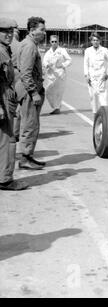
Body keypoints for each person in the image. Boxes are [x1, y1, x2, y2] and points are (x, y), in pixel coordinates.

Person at [0, 17, 28, 190]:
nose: (9, 35)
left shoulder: (5, 49)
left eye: (11, 32)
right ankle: (5, 180)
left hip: (6, 97)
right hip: (2, 98)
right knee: (8, 141)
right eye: (5, 32)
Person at [15, 16, 46, 170]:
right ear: (32, 30)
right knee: (30, 125)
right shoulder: (29, 47)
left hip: (28, 89)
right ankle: (25, 158)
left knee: (30, 124)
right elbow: (25, 73)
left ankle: (28, 156)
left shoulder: (29, 43)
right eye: (42, 30)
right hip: (29, 91)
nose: (44, 33)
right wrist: (34, 92)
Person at [84, 32, 108, 114]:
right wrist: (86, 75)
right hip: (92, 76)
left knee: (102, 94)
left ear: (100, 41)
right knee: (92, 95)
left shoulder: (104, 50)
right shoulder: (88, 51)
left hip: (101, 75)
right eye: (94, 40)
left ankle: (105, 113)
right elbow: (86, 63)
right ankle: (95, 113)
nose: (95, 42)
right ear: (91, 41)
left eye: (97, 40)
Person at [43, 35, 72, 114]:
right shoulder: (48, 52)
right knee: (48, 92)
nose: (54, 43)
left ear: (58, 42)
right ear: (50, 42)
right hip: (51, 76)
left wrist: (62, 65)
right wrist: (47, 65)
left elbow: (69, 60)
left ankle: (57, 108)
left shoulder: (62, 50)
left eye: (56, 41)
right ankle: (55, 106)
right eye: (52, 41)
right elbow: (44, 61)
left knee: (58, 93)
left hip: (60, 75)